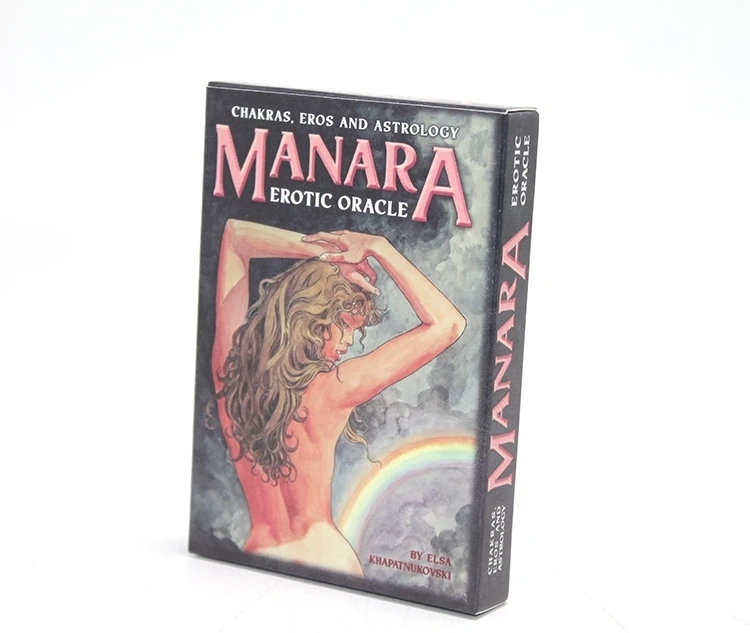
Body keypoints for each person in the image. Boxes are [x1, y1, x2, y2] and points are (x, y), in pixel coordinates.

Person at [212, 219, 466, 576]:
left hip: (258, 555)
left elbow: (237, 238)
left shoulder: (232, 377)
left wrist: (324, 255)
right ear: (310, 317)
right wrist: (377, 247)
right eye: (344, 323)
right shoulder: (333, 389)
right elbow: (449, 324)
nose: (347, 342)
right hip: (325, 557)